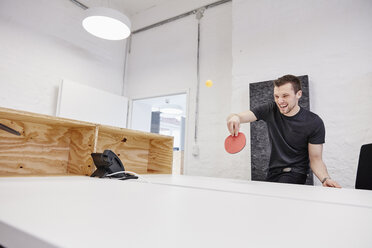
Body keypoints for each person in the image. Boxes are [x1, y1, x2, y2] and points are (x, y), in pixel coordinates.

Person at [226, 74, 341, 188]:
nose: (280, 101)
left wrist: (325, 179)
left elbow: (316, 159)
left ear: (298, 94)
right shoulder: (271, 109)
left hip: (295, 173)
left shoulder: (314, 122)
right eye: (276, 96)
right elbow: (240, 116)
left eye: (285, 96)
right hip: (273, 172)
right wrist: (236, 117)